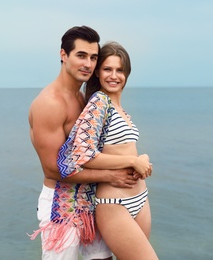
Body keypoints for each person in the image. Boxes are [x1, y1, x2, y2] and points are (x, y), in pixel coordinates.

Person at [28, 26, 142, 260]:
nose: (88, 64)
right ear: (63, 55)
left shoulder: (83, 98)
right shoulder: (49, 104)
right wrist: (111, 176)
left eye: (93, 58)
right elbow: (53, 169)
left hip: (91, 201)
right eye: (81, 56)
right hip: (61, 206)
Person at [57, 41, 159, 259]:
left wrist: (141, 158)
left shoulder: (119, 108)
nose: (114, 75)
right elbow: (82, 155)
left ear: (127, 73)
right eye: (107, 69)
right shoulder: (99, 103)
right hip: (114, 203)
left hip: (140, 197)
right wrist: (132, 162)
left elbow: (121, 148)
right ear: (98, 74)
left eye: (120, 70)